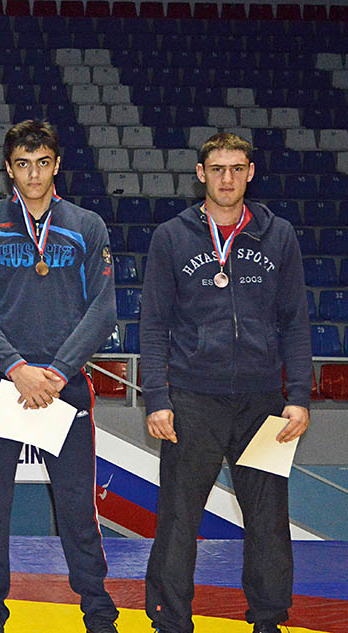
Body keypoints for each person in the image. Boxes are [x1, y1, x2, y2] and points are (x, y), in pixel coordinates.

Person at [0, 119, 120, 633]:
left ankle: (98, 613)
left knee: (77, 508)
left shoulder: (87, 225)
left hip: (65, 386)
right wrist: (18, 369)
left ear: (57, 165)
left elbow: (103, 311)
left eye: (43, 163)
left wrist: (57, 372)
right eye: (23, 164)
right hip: (2, 383)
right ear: (8, 168)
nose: (33, 174)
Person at [141, 133, 311, 633]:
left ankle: (269, 619)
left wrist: (299, 396)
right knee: (179, 518)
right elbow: (153, 324)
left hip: (263, 402)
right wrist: (157, 397)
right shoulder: (172, 237)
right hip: (192, 399)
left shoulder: (278, 235)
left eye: (237, 168)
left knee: (268, 519)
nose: (227, 178)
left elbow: (296, 322)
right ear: (201, 174)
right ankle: (170, 621)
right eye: (217, 169)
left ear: (250, 173)